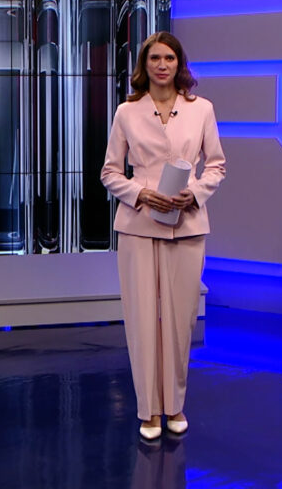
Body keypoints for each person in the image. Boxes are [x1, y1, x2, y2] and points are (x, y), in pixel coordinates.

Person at [100, 31, 226, 440]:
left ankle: (174, 405)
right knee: (141, 320)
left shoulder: (201, 109)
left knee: (179, 320)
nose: (162, 65)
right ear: (144, 64)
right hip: (139, 224)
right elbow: (109, 172)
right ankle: (148, 412)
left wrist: (197, 192)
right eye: (154, 58)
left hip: (187, 223)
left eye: (169, 58)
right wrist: (139, 193)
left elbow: (216, 165)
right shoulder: (127, 112)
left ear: (179, 63)